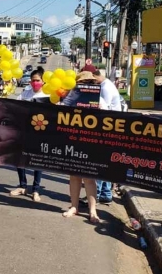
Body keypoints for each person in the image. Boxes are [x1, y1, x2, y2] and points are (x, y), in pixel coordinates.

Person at [61, 71, 108, 223]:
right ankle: (74, 206)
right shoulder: (71, 98)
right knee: (74, 175)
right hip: (73, 140)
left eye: (89, 83)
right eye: (83, 83)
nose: (86, 85)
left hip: (91, 141)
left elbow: (108, 119)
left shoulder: (100, 100)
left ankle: (92, 210)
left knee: (89, 177)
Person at [10, 67, 49, 202]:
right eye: (32, 80)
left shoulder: (49, 95)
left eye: (37, 80)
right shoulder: (25, 93)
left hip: (41, 133)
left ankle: (36, 189)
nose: (34, 83)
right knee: (21, 159)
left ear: (43, 81)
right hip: (24, 131)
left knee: (37, 161)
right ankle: (22, 185)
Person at [92, 69, 122, 204]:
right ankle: (105, 193)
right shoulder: (106, 85)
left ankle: (96, 193)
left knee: (100, 160)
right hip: (112, 127)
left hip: (108, 128)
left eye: (92, 80)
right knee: (105, 161)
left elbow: (104, 109)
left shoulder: (105, 88)